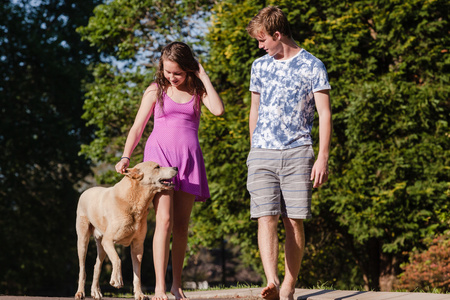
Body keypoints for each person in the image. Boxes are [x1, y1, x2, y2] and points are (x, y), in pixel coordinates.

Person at [115, 41, 224, 300]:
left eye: (177, 72)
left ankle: (176, 285)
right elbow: (137, 127)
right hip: (159, 161)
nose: (172, 77)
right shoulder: (156, 90)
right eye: (167, 71)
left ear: (189, 68)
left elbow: (218, 110)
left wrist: (203, 75)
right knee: (163, 221)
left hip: (188, 161)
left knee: (182, 226)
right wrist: (125, 156)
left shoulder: (198, 90)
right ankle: (159, 288)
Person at [245, 6, 332, 300]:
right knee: (265, 216)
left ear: (278, 34)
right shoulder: (259, 67)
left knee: (293, 219)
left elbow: (325, 113)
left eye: (263, 40)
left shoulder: (313, 65)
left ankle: (288, 287)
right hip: (262, 152)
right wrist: (253, 147)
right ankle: (271, 280)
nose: (260, 46)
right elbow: (254, 109)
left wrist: (322, 157)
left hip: (298, 151)